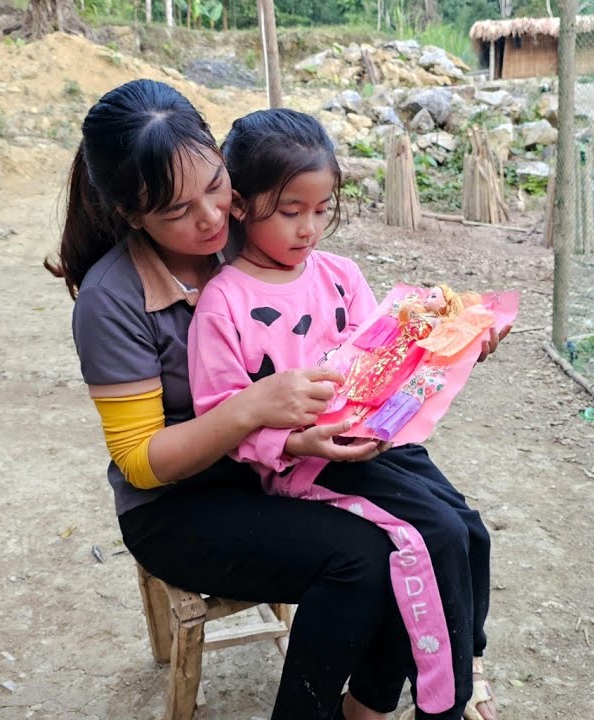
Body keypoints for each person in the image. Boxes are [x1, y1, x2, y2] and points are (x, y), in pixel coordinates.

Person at [46, 80, 499, 720]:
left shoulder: (257, 230)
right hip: (182, 502)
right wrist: (253, 410)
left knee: (431, 530)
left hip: (287, 464)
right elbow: (142, 461)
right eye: (176, 210)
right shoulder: (111, 300)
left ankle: (368, 703)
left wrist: (448, 335)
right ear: (130, 213)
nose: (208, 218)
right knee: (363, 562)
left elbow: (351, 337)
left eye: (214, 185)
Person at [187, 108, 501, 720]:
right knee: (429, 538)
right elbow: (221, 413)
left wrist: (451, 337)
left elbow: (383, 355)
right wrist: (297, 445)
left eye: (322, 208)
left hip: (379, 446)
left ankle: (409, 686)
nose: (309, 228)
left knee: (468, 528)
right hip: (309, 466)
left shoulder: (340, 275)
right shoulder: (224, 303)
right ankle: (446, 700)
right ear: (243, 205)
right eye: (290, 210)